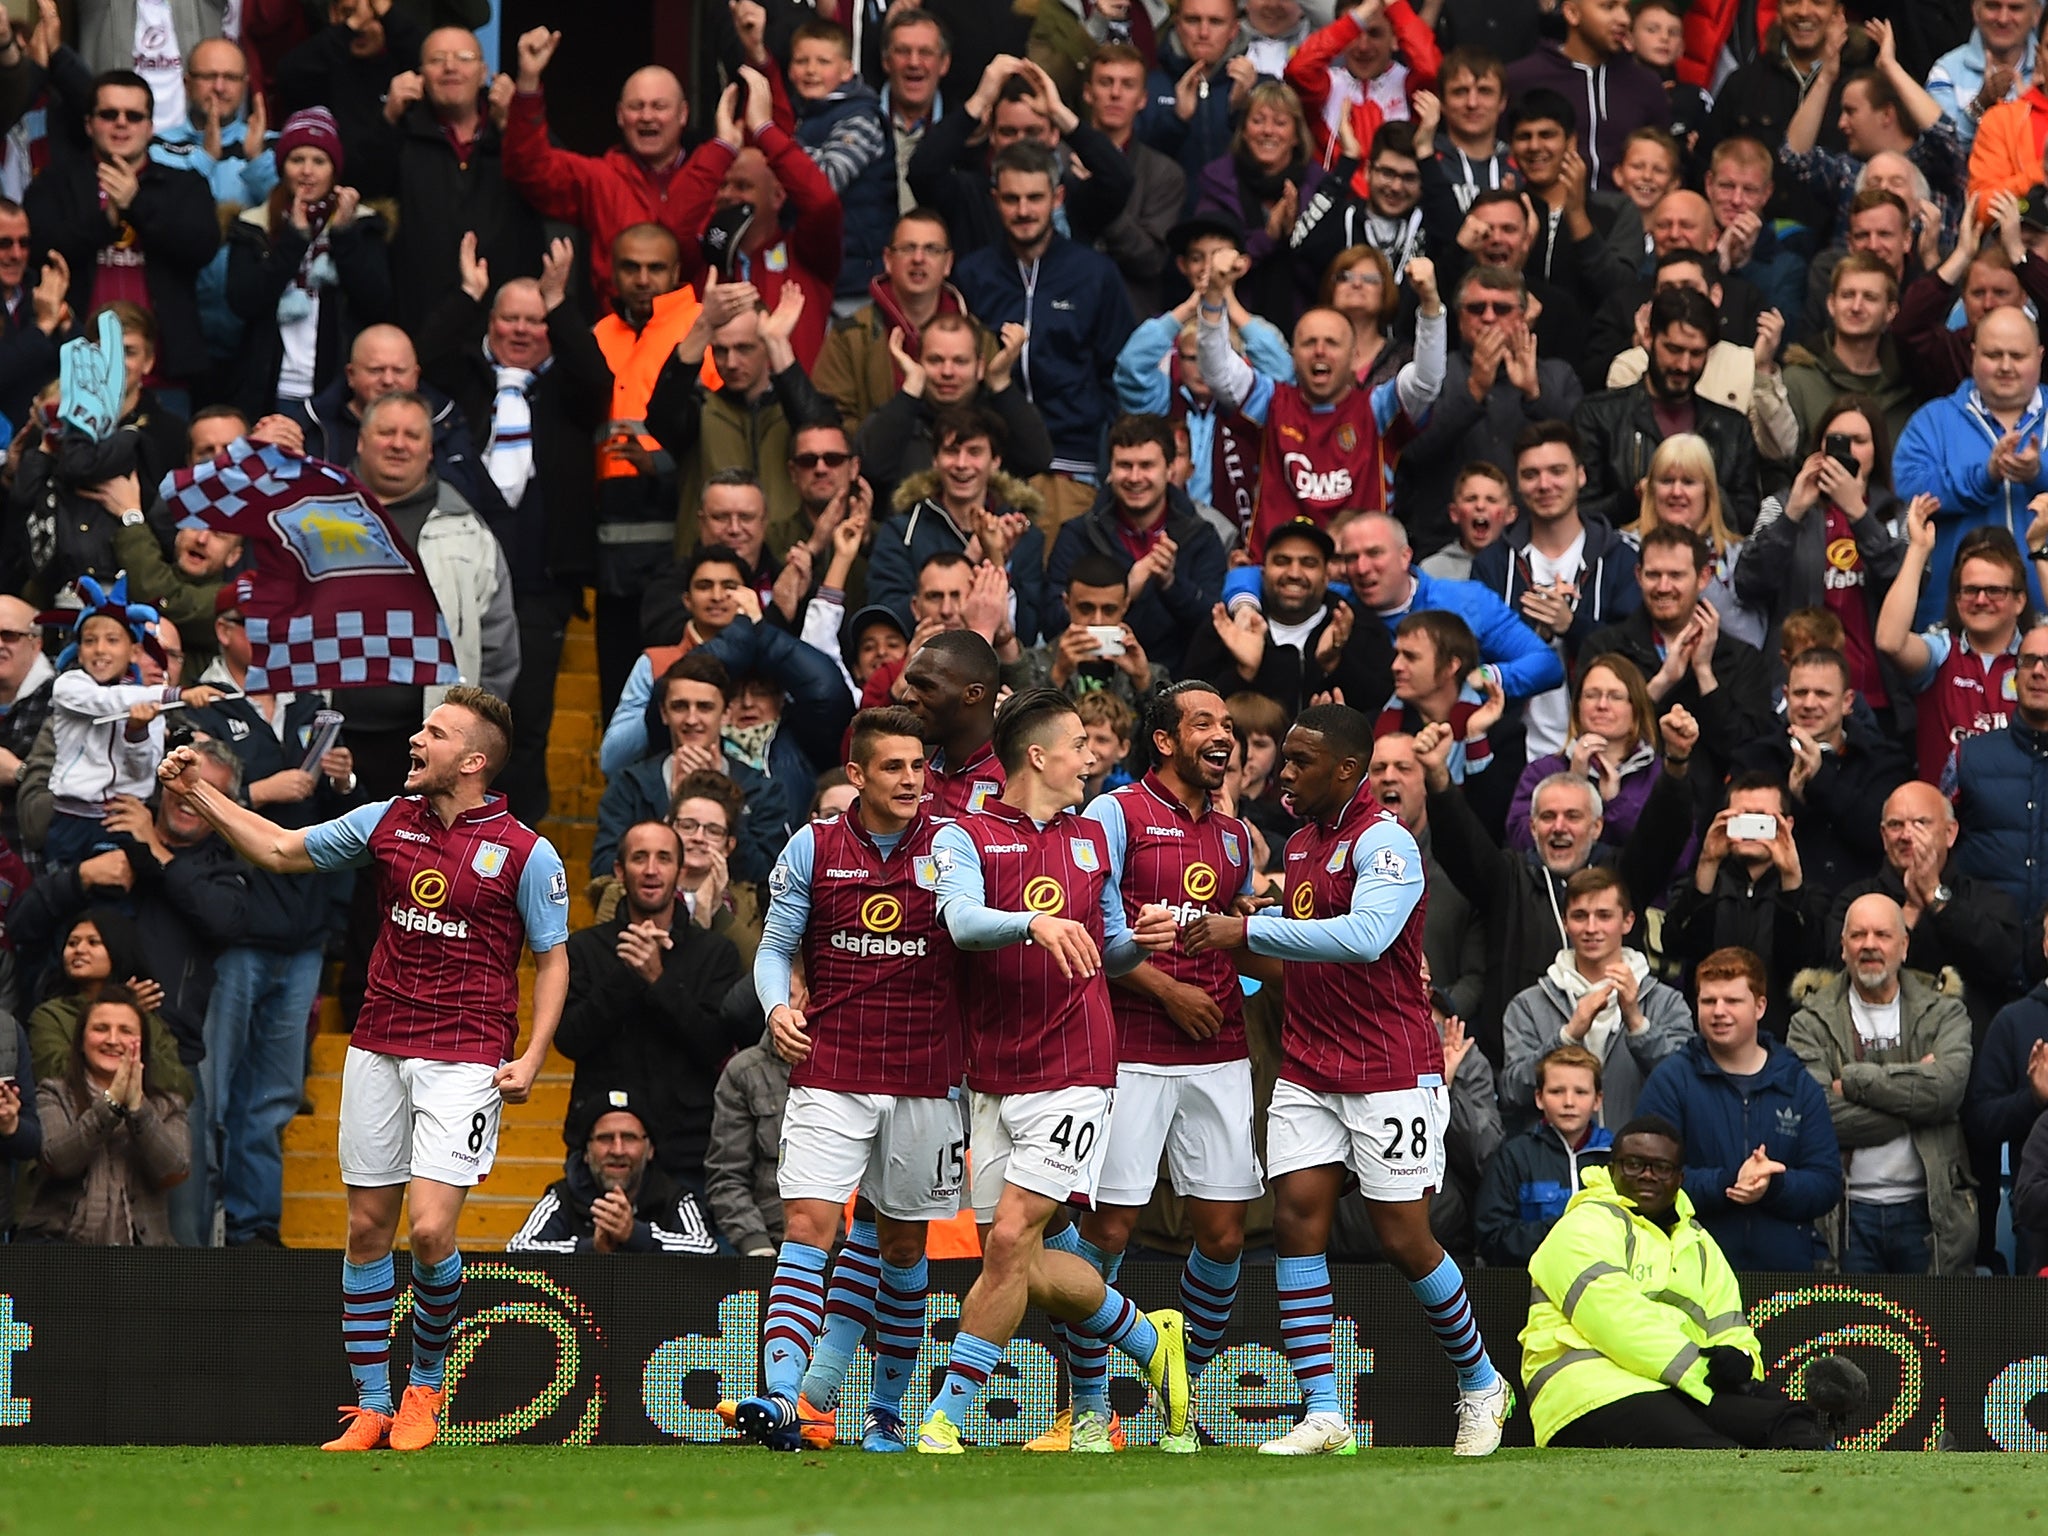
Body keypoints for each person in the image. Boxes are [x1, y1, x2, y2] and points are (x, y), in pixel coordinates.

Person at [155, 687, 571, 1452]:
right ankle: (373, 1405)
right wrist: (200, 796)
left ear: (473, 761)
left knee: (432, 1228)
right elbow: (280, 849)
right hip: (378, 1043)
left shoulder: (526, 851)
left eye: (435, 734)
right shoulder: (385, 820)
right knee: (367, 1229)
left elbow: (553, 960)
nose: (416, 740)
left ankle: (425, 1388)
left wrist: (535, 1054)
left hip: (468, 1055)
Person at [1182, 702, 1510, 1456]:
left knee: (1403, 1236)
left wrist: (1251, 928)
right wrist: (1216, 934)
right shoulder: (1299, 845)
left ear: (1347, 770)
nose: (1285, 775)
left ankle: (1481, 1381)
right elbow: (1295, 958)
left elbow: (1364, 939)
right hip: (1308, 1063)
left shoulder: (1386, 843)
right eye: (1285, 760)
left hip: (1391, 1067)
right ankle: (1325, 1412)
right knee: (1297, 1219)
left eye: (1300, 764)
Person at [913, 689, 1186, 1454]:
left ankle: (946, 1420)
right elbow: (963, 924)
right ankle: (1148, 1341)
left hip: (1078, 1067)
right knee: (1027, 1260)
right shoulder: (960, 836)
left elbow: (1106, 947)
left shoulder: (1092, 840)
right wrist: (1033, 922)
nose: (1091, 757)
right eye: (1078, 744)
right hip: (994, 1075)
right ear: (1038, 756)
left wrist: (1141, 941)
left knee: (1005, 1242)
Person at [737, 707, 967, 1453]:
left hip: (927, 1077)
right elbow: (775, 946)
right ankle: (782, 1399)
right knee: (807, 1229)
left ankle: (887, 1412)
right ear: (858, 775)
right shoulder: (813, 847)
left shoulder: (953, 844)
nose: (910, 779)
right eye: (893, 767)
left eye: (917, 765)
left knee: (902, 1249)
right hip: (830, 1068)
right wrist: (777, 1005)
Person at [1048, 684, 1263, 1452]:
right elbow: (1086, 931)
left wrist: (1257, 952)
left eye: (1229, 727)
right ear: (1165, 740)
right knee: (1107, 1229)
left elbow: (1243, 947)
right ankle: (1091, 1406)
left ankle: (1184, 1395)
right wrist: (1168, 990)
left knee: (1226, 1233)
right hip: (1132, 1049)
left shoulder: (1237, 837)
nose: (1224, 737)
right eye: (1206, 723)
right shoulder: (1114, 814)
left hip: (1219, 1051)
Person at [421, 234, 612, 824]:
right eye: (510, 318)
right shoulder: (462, 382)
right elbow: (419, 356)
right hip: (453, 589)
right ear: (490, 321)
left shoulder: (568, 392)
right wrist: (467, 294)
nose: (523, 330)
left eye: (537, 320)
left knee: (522, 727)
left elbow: (600, 382)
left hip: (539, 593)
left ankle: (515, 845)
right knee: (450, 723)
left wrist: (561, 301)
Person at [1520, 1114, 1835, 1449]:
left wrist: (1741, 1363)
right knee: (1713, 1451)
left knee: (1789, 1421)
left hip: (1678, 1386)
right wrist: (1708, 1376)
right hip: (1589, 1392)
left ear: (1680, 1178)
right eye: (1633, 1164)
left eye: (1661, 1168)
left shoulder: (1700, 1244)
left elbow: (1731, 1327)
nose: (1646, 1175)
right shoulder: (1582, 1225)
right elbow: (1619, 1324)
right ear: (1612, 1169)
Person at [1418, 705, 1698, 1066]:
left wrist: (1675, 762)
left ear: (1597, 827)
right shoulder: (1509, 877)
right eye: (1547, 817)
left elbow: (1663, 835)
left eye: (1573, 817)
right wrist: (1439, 776)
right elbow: (1462, 846)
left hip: (1614, 1069)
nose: (1559, 827)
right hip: (1524, 1066)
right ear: (1532, 828)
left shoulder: (1620, 874)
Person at [1196, 247, 1444, 556]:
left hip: (1358, 574)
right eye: (1309, 343)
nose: (1320, 352)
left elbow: (1426, 381)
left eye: (1332, 343)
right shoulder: (1270, 403)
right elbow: (1217, 372)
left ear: (1354, 356)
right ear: (1294, 355)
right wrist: (1215, 296)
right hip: (1279, 574)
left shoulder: (1379, 410)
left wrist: (1431, 305)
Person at [953, 142, 1137, 541]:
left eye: (1035, 198)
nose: (1023, 211)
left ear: (1057, 197)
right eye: (1012, 199)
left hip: (1071, 468)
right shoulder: (971, 274)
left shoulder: (1094, 273)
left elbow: (1118, 372)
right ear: (994, 200)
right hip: (988, 472)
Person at [1787, 893, 1979, 1274]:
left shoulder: (1944, 1012)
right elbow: (1817, 1115)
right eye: (1858, 935)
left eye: (1882, 934)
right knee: (1854, 1334)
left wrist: (1855, 1080)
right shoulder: (1810, 1021)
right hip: (1846, 1216)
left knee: (1931, 1333)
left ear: (1904, 946)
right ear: (1843, 948)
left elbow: (1945, 1091)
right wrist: (1916, 1107)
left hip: (1929, 1212)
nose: (1870, 945)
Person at [559, 817, 748, 1204]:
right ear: (618, 871)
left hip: (688, 1153)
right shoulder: (583, 949)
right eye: (639, 858)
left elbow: (715, 1046)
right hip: (600, 1149)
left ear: (679, 871)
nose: (650, 869)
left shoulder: (715, 953)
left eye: (663, 859)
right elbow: (570, 1039)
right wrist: (627, 975)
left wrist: (658, 979)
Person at [1635, 947, 1845, 1269]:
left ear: (1760, 1006)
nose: (1719, 1011)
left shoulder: (1796, 1083)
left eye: (1732, 1001)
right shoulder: (1671, 1080)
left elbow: (1827, 1183)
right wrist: (1728, 1182)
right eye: (1708, 1001)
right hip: (1692, 1273)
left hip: (1784, 1279)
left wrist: (1772, 1185)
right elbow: (1645, 1179)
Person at [25, 69, 221, 392]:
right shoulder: (53, 184)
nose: (121, 123)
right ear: (89, 124)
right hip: (73, 372)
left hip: (162, 374)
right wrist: (106, 222)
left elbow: (201, 248)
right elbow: (38, 252)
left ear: (150, 127)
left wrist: (136, 205)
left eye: (133, 115)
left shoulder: (185, 185)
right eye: (109, 114)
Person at [354, 25, 547, 335]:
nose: (450, 67)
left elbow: (554, 184)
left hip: (506, 323)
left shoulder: (508, 129)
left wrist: (515, 126)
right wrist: (388, 118)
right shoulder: (402, 132)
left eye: (464, 57)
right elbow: (361, 187)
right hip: (419, 317)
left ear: (485, 71)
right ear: (420, 76)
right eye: (437, 59)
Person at [1471, 421, 1642, 760]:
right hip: (1514, 749)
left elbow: (1635, 653)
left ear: (1580, 475)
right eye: (1531, 474)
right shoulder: (1492, 563)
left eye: (1557, 471)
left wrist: (1572, 626)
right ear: (1518, 484)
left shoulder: (1621, 556)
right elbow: (1478, 656)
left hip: (1604, 751)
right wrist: (1533, 634)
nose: (1545, 484)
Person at [1392, 262, 1582, 558]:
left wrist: (1534, 394)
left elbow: (1579, 457)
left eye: (1502, 309)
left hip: (1536, 546)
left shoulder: (1557, 376)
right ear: (1460, 319)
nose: (1489, 317)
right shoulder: (1431, 376)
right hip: (1443, 545)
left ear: (1523, 317)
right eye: (1477, 308)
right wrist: (1474, 391)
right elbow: (1412, 453)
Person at [501, 27, 696, 305]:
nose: (647, 116)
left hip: (697, 334)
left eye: (659, 106)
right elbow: (528, 168)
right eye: (636, 106)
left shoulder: (709, 176)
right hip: (617, 334)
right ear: (619, 115)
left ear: (683, 114)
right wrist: (529, 81)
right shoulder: (600, 178)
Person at [224, 106, 392, 422]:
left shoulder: (364, 226)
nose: (307, 171)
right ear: (282, 166)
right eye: (296, 160)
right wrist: (294, 240)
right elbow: (243, 301)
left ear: (334, 170)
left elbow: (376, 302)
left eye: (319, 161)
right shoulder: (253, 226)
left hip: (337, 392)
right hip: (270, 390)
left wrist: (343, 235)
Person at [44, 582, 224, 869]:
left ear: (134, 652)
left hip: (122, 819)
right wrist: (178, 695)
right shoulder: (69, 685)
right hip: (72, 818)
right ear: (78, 652)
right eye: (89, 641)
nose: (100, 649)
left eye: (112, 640)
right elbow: (105, 700)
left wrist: (136, 731)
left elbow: (142, 770)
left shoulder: (148, 706)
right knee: (65, 897)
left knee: (115, 903)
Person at [1500, 867, 1692, 1136]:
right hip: (1556, 1165)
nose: (1591, 928)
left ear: (1628, 921)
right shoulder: (1528, 1005)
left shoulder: (1666, 1001)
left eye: (1604, 916)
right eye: (1580, 916)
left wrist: (1637, 1024)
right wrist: (1567, 1036)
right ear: (1565, 923)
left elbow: (1687, 1087)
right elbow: (1512, 1092)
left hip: (1639, 1166)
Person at [1830, 781, 2025, 1043]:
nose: (1907, 835)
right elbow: (1835, 963)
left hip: (1965, 1051)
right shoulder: (1856, 900)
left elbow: (2002, 959)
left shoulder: (1986, 899)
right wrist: (1908, 911)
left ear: (1950, 833)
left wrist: (1936, 897)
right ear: (1883, 835)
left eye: (1921, 823)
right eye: (1896, 825)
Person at [1742, 395, 1907, 698]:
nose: (1849, 450)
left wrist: (1859, 514)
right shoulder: (1780, 505)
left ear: (1877, 450)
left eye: (1860, 440)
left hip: (1875, 690)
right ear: (1819, 448)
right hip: (1798, 690)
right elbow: (1748, 583)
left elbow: (1910, 586)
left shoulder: (1898, 514)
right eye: (1837, 440)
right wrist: (1792, 514)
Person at [1893, 306, 2048, 623]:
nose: (2006, 366)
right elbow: (1907, 488)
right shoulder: (1933, 420)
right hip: (1955, 621)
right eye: (1994, 355)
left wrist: (2038, 474)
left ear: (2040, 356)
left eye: (2017, 356)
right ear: (1973, 354)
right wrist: (1984, 477)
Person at [1042, 413, 1228, 676]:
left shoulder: (1201, 536)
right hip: (1090, 683)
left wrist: (1171, 585)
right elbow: (1051, 621)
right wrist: (1125, 592)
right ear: (1110, 469)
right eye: (1124, 465)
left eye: (1146, 465)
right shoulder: (1078, 534)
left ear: (1170, 468)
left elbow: (1214, 628)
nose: (1135, 477)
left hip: (1175, 685)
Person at [1573, 288, 1761, 534]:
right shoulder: (1599, 416)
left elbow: (1747, 520)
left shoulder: (1732, 428)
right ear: (1649, 337)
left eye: (1696, 353)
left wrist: (1705, 493)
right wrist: (1637, 496)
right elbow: (1579, 514)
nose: (1683, 365)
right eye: (1673, 349)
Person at [16, 984, 187, 1244]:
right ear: (81, 1042)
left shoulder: (168, 1104)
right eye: (100, 1029)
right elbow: (57, 1161)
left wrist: (138, 1109)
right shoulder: (54, 1092)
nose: (112, 1040)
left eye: (126, 1031)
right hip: (56, 1249)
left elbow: (173, 1170)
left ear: (143, 1045)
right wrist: (110, 1105)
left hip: (143, 1259)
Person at [1661, 772, 1826, 1031]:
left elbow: (1807, 958)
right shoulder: (1702, 883)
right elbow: (1675, 945)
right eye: (1741, 818)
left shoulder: (1809, 894)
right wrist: (1707, 863)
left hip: (1781, 1039)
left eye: (1761, 819)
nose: (1751, 830)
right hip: (1707, 1035)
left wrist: (1790, 880)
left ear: (1787, 824)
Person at [1181, 519, 1393, 719]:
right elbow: (1190, 710)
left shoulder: (1358, 626)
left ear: (1326, 575)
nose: (1294, 573)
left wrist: (1335, 664)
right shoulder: (1226, 626)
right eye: (1282, 561)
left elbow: (1382, 706)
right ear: (1262, 571)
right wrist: (1243, 673)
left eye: (1308, 563)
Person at [1879, 512, 2033, 785]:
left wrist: (2041, 551)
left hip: (2022, 820)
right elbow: (1890, 641)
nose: (1981, 600)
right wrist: (1918, 550)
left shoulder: (2037, 660)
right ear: (1957, 597)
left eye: (1994, 590)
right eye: (1970, 590)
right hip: (1946, 819)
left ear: (2019, 601)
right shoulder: (1940, 653)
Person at [506, 1088, 719, 1255]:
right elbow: (517, 1250)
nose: (617, 1150)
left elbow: (707, 1249)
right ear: (586, 1152)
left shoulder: (674, 1197)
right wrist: (591, 1248)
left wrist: (636, 1235)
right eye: (605, 1138)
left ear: (650, 1149)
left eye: (629, 1138)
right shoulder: (564, 1196)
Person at [1507, 655, 1667, 853]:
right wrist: (1573, 784)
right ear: (1577, 706)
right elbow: (1519, 843)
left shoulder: (1660, 776)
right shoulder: (1541, 772)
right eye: (1591, 695)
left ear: (1636, 708)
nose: (1602, 705)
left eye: (1615, 697)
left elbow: (1676, 855)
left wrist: (1615, 806)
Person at [1504, 0, 1670, 191]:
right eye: (1608, 7)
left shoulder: (1646, 85)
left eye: (1626, 9)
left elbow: (1665, 160)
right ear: (1572, 13)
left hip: (1628, 216)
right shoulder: (1521, 78)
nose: (1624, 19)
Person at [1473, 1043, 1612, 1266]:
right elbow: (1491, 1237)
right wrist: (1564, 1230)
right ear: (1539, 1098)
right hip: (1531, 1289)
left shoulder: (1616, 1158)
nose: (1569, 1102)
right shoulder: (1515, 1156)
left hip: (1607, 1290)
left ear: (1597, 1100)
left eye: (1581, 1092)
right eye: (1557, 1091)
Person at [1623, 433, 1765, 650]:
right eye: (1667, 481)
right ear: (1651, 489)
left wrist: (1696, 562)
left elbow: (1750, 639)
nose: (1677, 492)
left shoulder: (1735, 555)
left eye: (1688, 482)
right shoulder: (1622, 548)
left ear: (1708, 492)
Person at [1967, 943, 2048, 1273]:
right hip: (2039, 1221)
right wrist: (2034, 1100)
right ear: (2045, 943)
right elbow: (1981, 1123)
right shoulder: (2015, 1020)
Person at [1420, 463, 1514, 583]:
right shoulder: (1432, 570)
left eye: (1491, 500)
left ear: (1510, 514)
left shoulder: (1518, 568)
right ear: (1454, 513)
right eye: (1471, 499)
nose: (1480, 506)